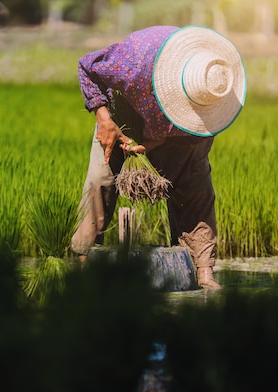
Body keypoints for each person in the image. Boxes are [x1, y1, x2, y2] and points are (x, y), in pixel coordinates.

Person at [70, 25, 246, 289]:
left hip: (179, 134)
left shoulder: (215, 88)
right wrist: (104, 119)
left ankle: (203, 270)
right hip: (122, 119)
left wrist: (153, 143)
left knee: (197, 188)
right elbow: (87, 68)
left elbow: (197, 141)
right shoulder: (134, 61)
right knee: (101, 180)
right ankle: (81, 260)